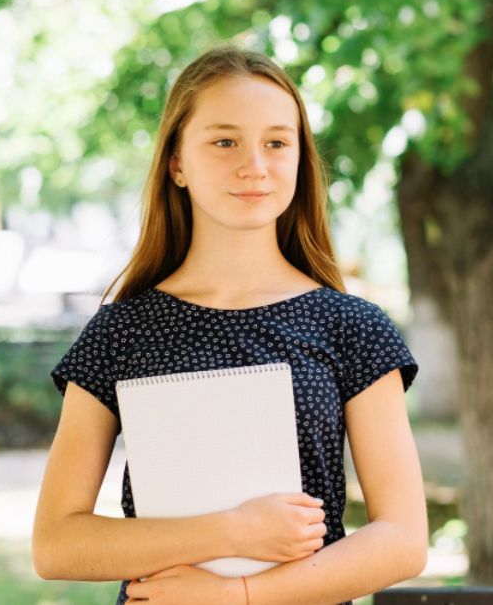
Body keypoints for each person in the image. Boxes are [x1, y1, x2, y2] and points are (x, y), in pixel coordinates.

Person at [31, 45, 427, 605]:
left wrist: (239, 594)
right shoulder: (120, 332)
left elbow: (403, 540)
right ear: (177, 163)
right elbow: (55, 544)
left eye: (276, 142)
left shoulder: (352, 327)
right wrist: (233, 531)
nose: (255, 165)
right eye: (224, 142)